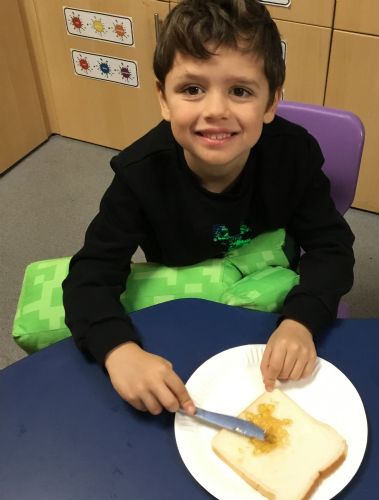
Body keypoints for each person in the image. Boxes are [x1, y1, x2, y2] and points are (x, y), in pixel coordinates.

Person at [62, 0, 355, 417]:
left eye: (240, 91)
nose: (216, 111)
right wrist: (118, 350)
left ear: (271, 103)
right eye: (192, 89)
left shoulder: (294, 155)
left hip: (274, 311)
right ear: (163, 99)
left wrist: (301, 320)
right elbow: (90, 274)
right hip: (185, 309)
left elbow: (331, 247)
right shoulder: (140, 174)